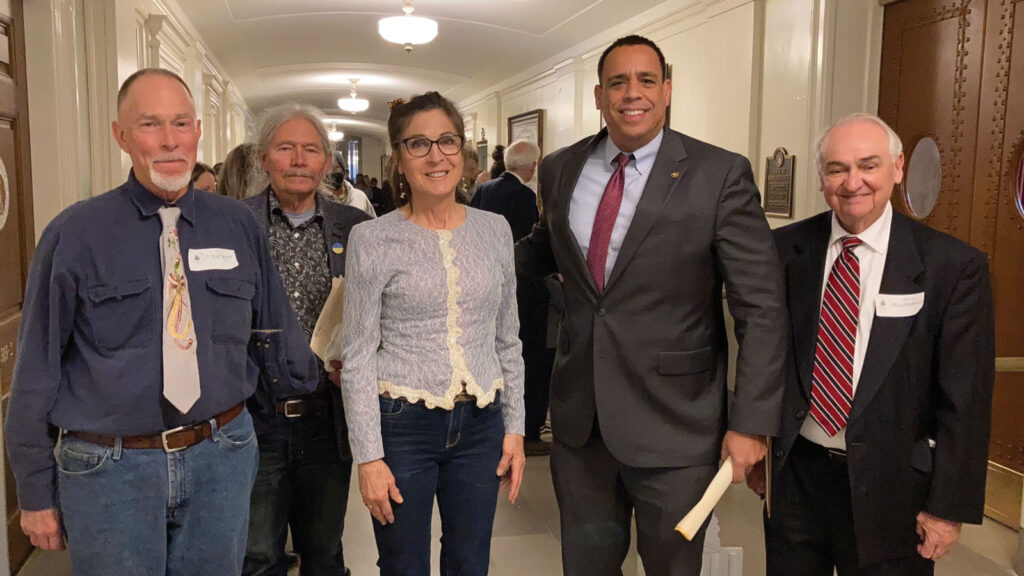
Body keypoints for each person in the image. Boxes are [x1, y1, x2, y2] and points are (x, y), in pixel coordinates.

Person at [4, 68, 317, 575]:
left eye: (180, 124)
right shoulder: (75, 234)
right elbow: (36, 369)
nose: (170, 141)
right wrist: (34, 490)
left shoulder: (237, 226)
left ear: (197, 129)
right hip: (110, 470)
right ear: (121, 135)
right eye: (150, 125)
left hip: (222, 455)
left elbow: (276, 335)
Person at [515, 35, 786, 575]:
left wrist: (752, 422)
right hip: (581, 424)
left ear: (666, 90)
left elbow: (761, 306)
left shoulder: (718, 174)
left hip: (677, 427)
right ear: (598, 95)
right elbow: (542, 249)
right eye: (617, 82)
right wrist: (456, 242)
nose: (631, 93)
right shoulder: (562, 169)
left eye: (645, 80)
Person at [758, 113, 995, 576]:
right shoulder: (783, 250)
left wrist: (948, 506)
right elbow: (766, 358)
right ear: (822, 177)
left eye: (868, 165)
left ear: (898, 167)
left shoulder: (952, 267)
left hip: (895, 486)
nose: (853, 183)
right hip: (797, 479)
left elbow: (965, 399)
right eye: (836, 169)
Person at [340, 91, 526, 576]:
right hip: (402, 424)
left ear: (463, 152)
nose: (435, 155)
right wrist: (369, 457)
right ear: (398, 159)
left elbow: (508, 338)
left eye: (446, 141)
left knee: (470, 562)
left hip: (482, 423)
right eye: (418, 144)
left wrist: (516, 428)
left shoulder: (495, 230)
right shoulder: (372, 239)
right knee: (403, 565)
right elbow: (357, 355)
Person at [241, 103, 372, 576]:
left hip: (325, 417)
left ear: (327, 163)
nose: (299, 159)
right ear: (263, 159)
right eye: (285, 147)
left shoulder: (356, 230)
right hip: (255, 418)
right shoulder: (233, 224)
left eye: (310, 149)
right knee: (256, 553)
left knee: (324, 548)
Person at [472, 140, 550, 455]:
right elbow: (529, 247)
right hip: (520, 290)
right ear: (532, 167)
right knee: (527, 356)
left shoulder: (484, 190)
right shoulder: (525, 196)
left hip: (483, 284)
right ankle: (527, 429)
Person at [329, 151, 376, 218]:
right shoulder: (318, 199)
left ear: (343, 172)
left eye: (336, 167)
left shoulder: (359, 197)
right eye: (328, 168)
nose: (331, 171)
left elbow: (373, 224)